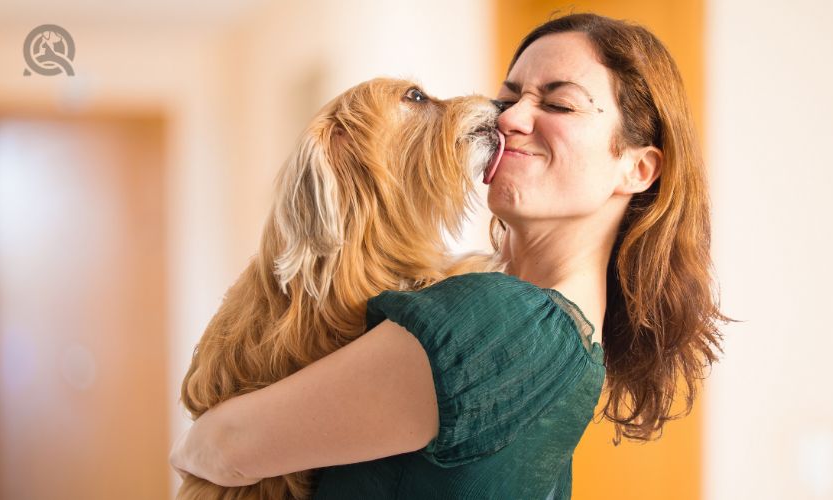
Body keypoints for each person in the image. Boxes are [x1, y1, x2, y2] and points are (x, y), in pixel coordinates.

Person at [170, 12, 727, 499]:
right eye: (508, 99)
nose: (507, 118)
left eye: (559, 103)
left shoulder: (507, 323)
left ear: (638, 168)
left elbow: (221, 447)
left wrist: (193, 443)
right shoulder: (562, 340)